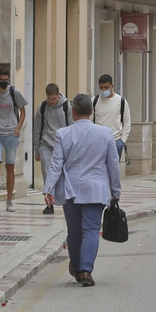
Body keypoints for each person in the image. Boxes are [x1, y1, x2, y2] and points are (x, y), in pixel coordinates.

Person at [43, 93, 122, 287]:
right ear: (92, 111)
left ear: (74, 111)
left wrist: (48, 189)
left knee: (74, 232)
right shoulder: (105, 134)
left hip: (70, 190)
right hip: (96, 190)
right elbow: (113, 165)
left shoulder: (63, 133)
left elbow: (56, 164)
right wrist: (116, 190)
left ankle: (77, 268)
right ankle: (86, 270)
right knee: (91, 231)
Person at [0, 68, 27, 213]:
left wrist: (17, 130)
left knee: (10, 166)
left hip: (11, 134)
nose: (4, 82)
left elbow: (23, 111)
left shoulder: (15, 92)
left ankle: (9, 200)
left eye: (6, 80)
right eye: (1, 79)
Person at [34, 84, 70, 214]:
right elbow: (37, 129)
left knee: (64, 173)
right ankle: (49, 204)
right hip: (46, 144)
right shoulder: (42, 107)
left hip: (63, 145)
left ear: (58, 95)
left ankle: (66, 199)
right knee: (46, 173)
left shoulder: (67, 107)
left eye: (53, 98)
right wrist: (36, 149)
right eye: (49, 98)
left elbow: (72, 127)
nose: (51, 101)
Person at [92, 74, 131, 160]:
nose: (103, 90)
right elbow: (90, 121)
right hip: (98, 141)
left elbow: (127, 122)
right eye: (101, 87)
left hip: (116, 141)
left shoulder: (121, 101)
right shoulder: (94, 101)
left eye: (106, 87)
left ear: (112, 86)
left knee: (113, 170)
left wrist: (122, 141)